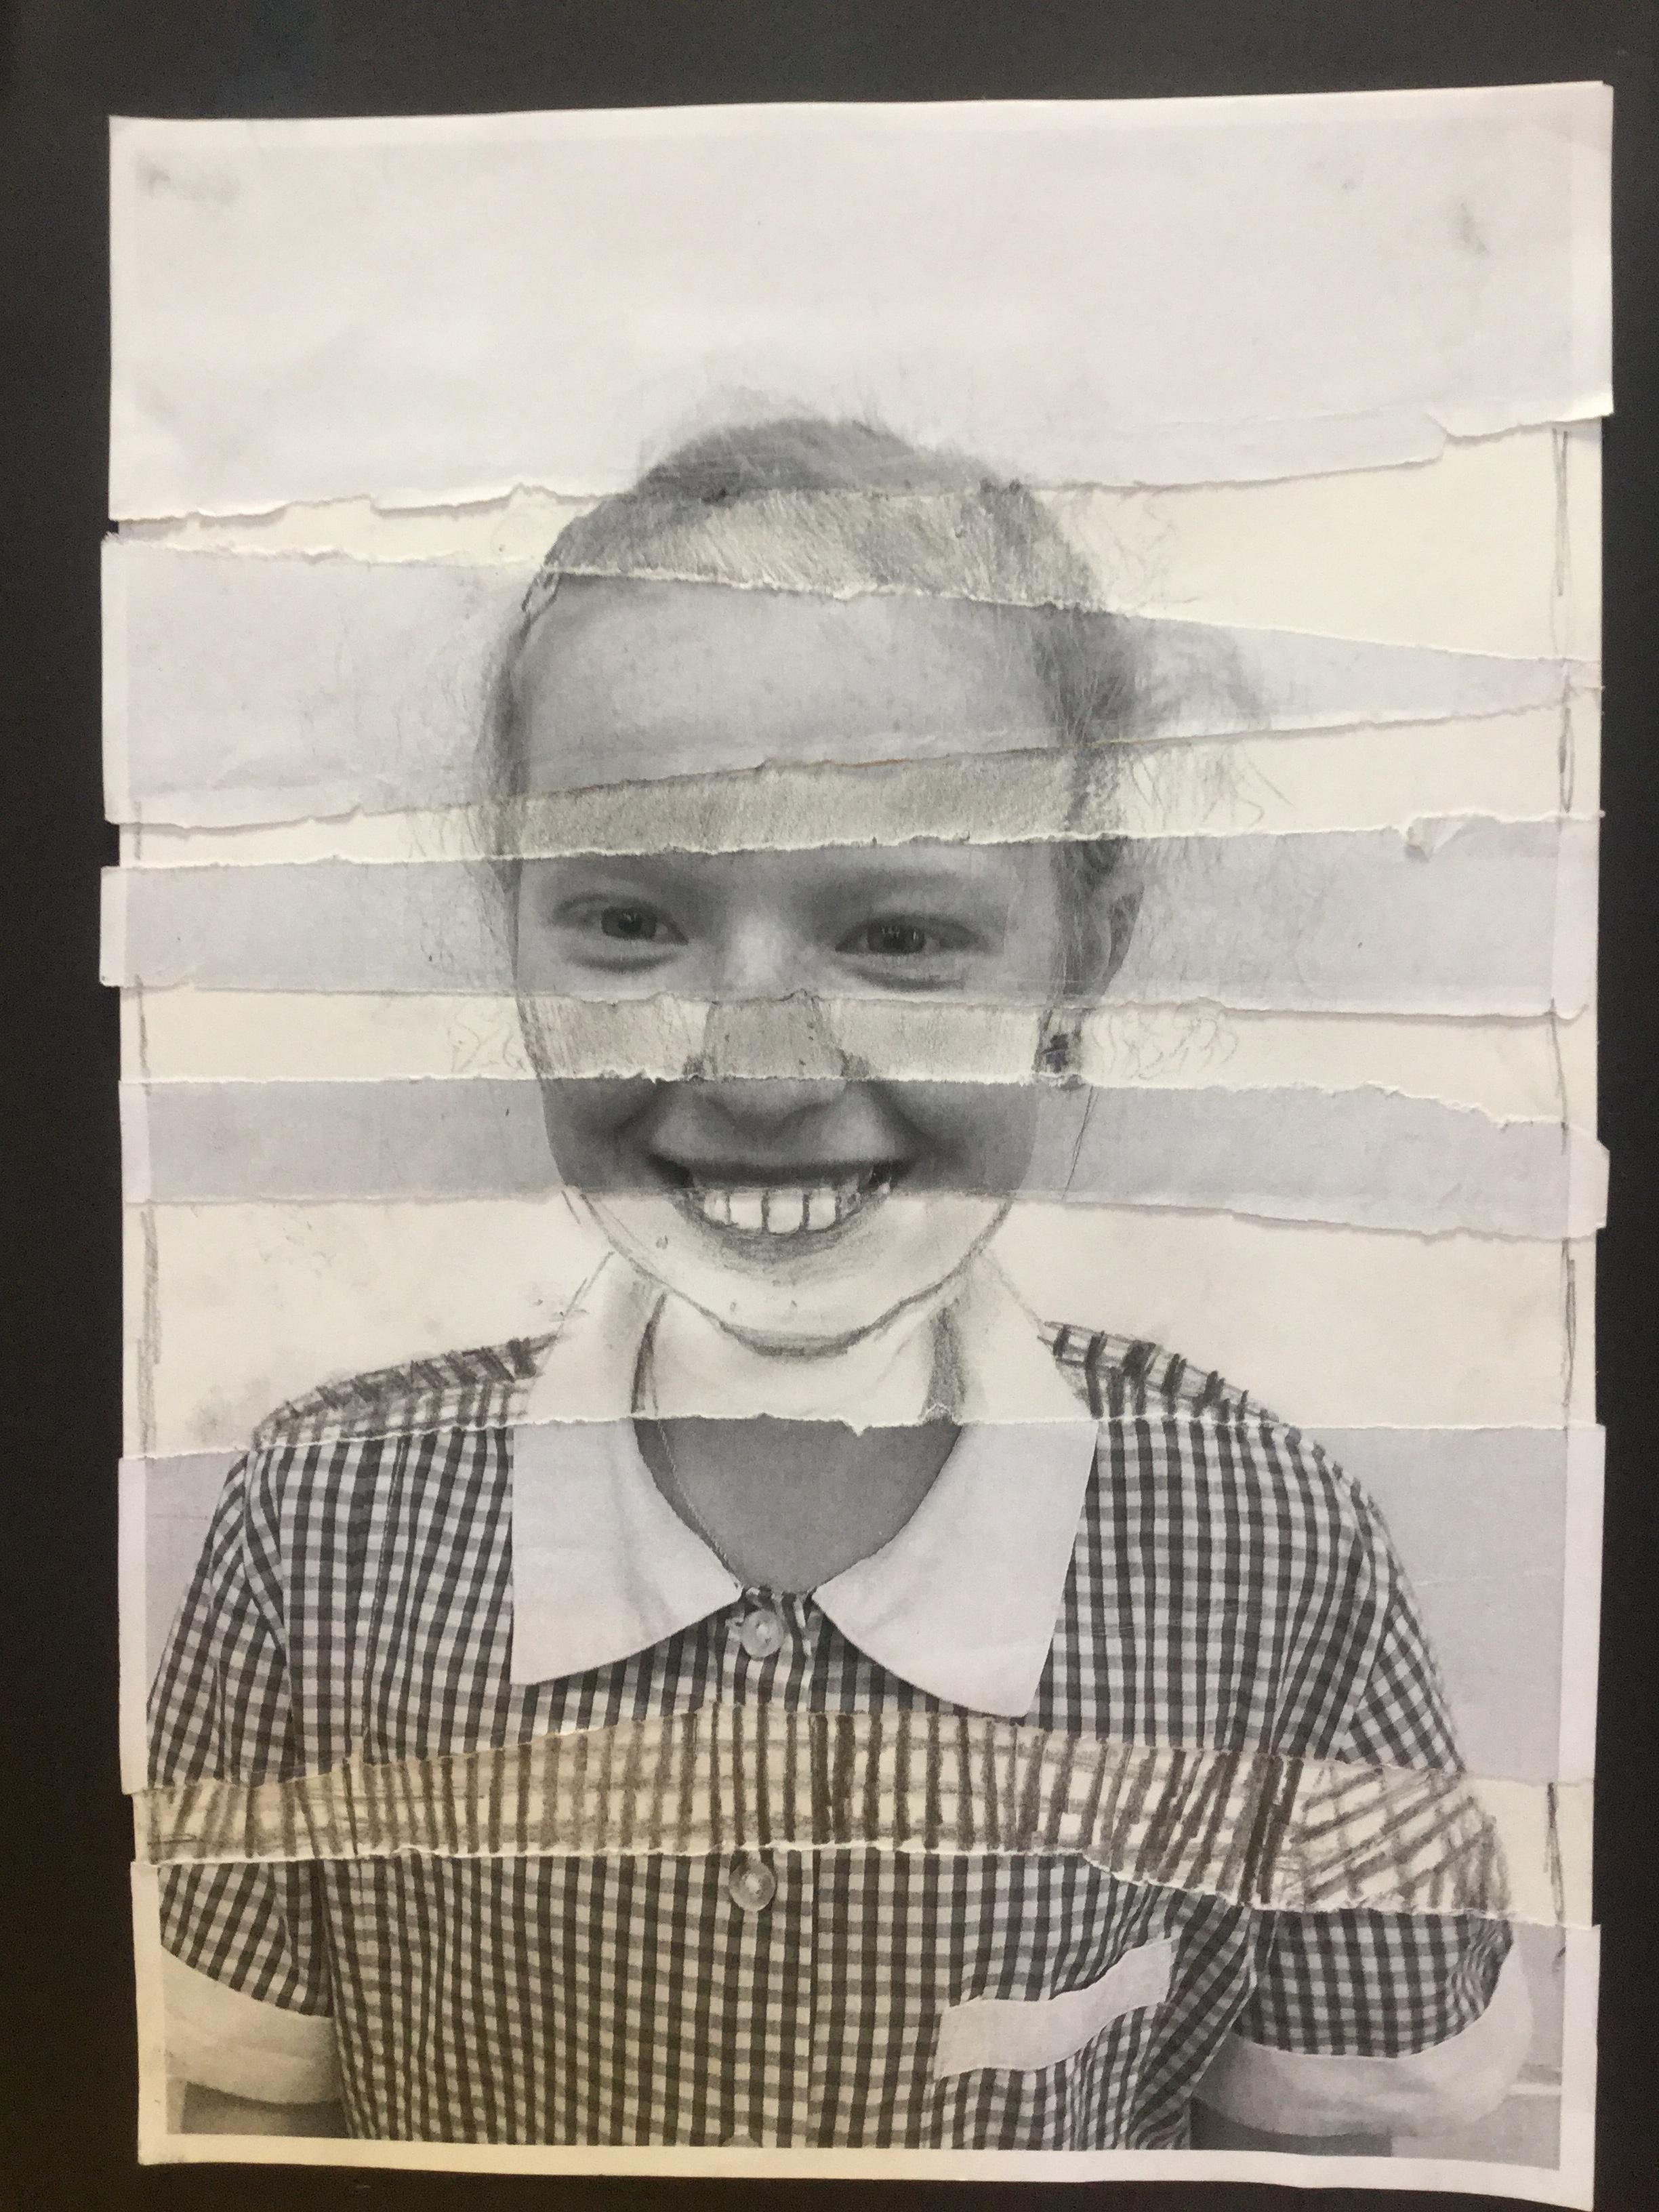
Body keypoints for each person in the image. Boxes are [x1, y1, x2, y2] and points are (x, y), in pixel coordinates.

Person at [146, 419, 1528, 2151]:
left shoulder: (1276, 1549)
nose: (764, 1068)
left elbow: (1319, 2139)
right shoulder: (318, 1529)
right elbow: (244, 2122)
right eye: (630, 922)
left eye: (900, 936)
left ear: (1077, 960)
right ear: (512, 929)